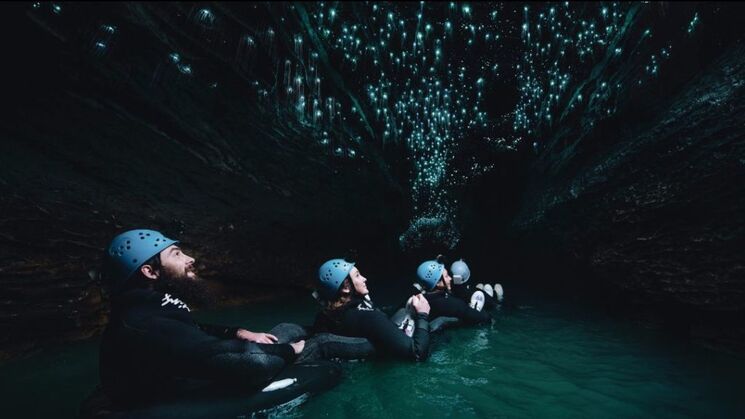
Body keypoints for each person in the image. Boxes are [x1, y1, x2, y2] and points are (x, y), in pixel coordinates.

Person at [98, 229, 307, 407]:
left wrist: (238, 332)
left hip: (189, 371)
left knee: (289, 328)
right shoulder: (144, 324)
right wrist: (291, 350)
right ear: (150, 271)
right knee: (315, 342)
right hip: (167, 398)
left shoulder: (148, 307)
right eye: (177, 254)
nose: (191, 259)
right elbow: (253, 362)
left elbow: (190, 329)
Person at [312, 258, 432, 361]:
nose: (365, 278)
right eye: (358, 275)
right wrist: (423, 314)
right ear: (346, 287)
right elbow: (417, 353)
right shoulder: (369, 318)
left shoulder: (325, 316)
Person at [414, 258, 491, 326]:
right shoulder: (453, 304)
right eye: (447, 276)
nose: (450, 279)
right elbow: (484, 317)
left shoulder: (418, 299)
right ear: (437, 283)